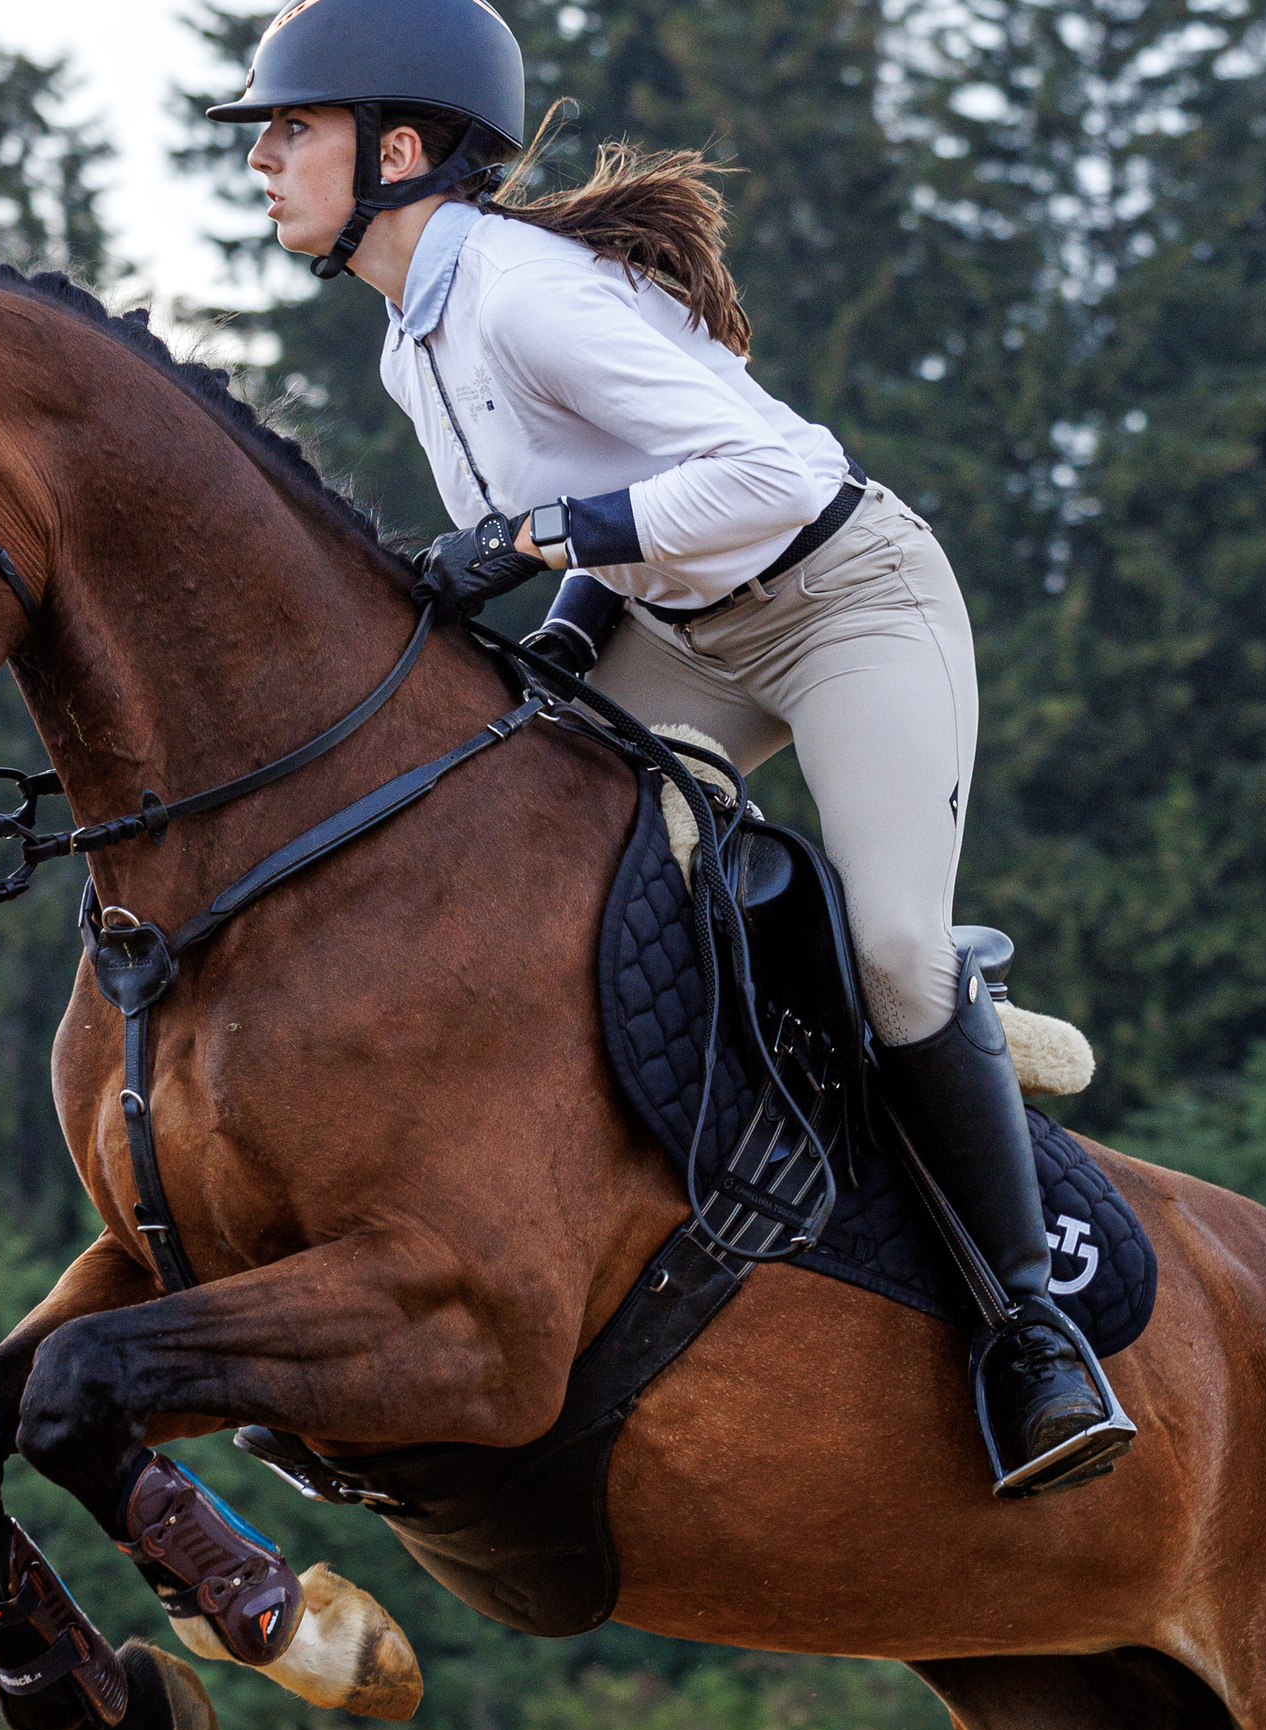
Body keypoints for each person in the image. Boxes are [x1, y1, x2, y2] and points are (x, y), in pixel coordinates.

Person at [205, 0, 1132, 1498]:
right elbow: (612, 496)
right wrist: (567, 618)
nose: (260, 159)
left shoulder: (515, 295)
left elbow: (779, 471)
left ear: (395, 150)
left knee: (894, 947)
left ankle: (1031, 1334)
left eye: (288, 129)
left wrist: (539, 540)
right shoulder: (414, 346)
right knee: (511, 854)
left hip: (845, 604)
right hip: (682, 631)